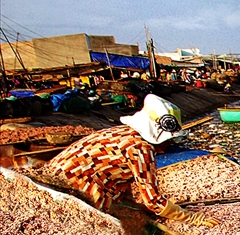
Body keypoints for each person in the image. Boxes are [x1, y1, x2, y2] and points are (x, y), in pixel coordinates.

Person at [39, 94, 217, 226]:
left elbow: (119, 173)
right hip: (70, 186)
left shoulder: (122, 132)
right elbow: (153, 200)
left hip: (51, 175)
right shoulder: (140, 148)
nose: (167, 145)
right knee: (99, 226)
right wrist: (193, 217)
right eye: (168, 140)